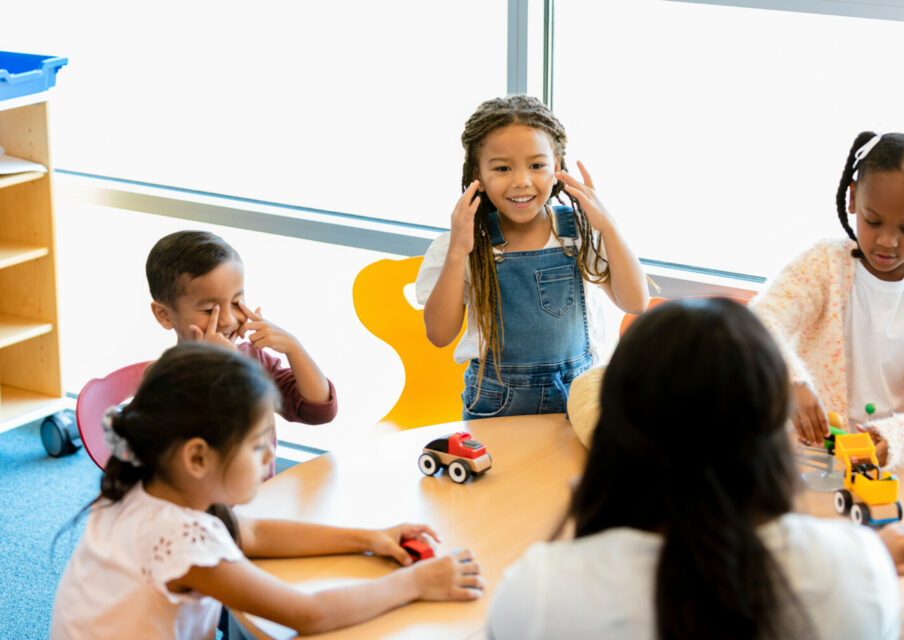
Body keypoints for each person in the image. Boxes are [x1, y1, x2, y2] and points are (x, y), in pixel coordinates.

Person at [488, 298, 900, 640]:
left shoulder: (539, 595)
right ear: (771, 441)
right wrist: (861, 558)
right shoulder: (858, 572)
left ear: (618, 440)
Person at [51, 343, 483, 639]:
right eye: (259, 443)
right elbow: (306, 614)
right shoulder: (179, 537)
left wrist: (370, 538)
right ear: (198, 458)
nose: (270, 453)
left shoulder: (149, 486)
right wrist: (415, 582)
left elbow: (252, 535)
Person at [416, 95, 648, 419]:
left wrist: (607, 226)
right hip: (495, 407)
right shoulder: (463, 245)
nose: (521, 181)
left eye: (536, 165)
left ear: (557, 165)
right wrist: (458, 252)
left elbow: (636, 302)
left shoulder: (579, 233)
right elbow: (439, 335)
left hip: (577, 401)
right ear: (476, 172)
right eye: (502, 168)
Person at [751, 132, 904, 467]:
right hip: (809, 456)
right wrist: (793, 382)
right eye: (873, 221)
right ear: (852, 200)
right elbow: (760, 320)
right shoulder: (825, 265)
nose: (889, 241)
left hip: (886, 466)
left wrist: (891, 438)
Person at [146, 230, 337, 427]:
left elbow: (318, 411)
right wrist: (224, 369)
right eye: (210, 309)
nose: (228, 320)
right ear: (165, 315)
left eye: (237, 303)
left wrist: (294, 348)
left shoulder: (255, 359)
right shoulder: (163, 378)